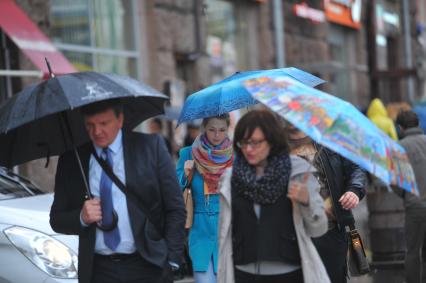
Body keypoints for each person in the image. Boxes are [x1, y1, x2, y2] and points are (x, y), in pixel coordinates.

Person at [50, 99, 186, 283]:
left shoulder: (150, 147)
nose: (97, 132)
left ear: (120, 120)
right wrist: (81, 217)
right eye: (90, 125)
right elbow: (56, 219)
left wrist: (172, 259)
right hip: (99, 270)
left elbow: (175, 207)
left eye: (104, 123)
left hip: (148, 264)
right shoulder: (72, 161)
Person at [217, 110, 329, 283]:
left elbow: (318, 229)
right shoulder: (230, 177)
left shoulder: (297, 172)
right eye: (243, 143)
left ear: (272, 140)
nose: (248, 149)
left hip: (289, 274)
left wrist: (307, 201)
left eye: (256, 143)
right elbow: (225, 231)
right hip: (242, 273)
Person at [287, 124, 367, 283]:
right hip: (294, 233)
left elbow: (355, 168)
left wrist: (354, 190)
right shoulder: (277, 146)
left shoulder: (329, 141)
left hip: (331, 230)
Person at [176, 114, 234, 283]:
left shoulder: (235, 156)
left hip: (227, 228)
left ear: (228, 129)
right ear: (204, 129)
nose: (217, 135)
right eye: (212, 130)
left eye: (222, 130)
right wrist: (187, 174)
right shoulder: (188, 154)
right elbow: (175, 187)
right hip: (199, 228)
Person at [394, 110, 426, 283]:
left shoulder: (400, 148)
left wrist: (405, 195)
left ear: (400, 127)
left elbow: (394, 181)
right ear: (418, 124)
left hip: (415, 207)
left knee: (413, 252)